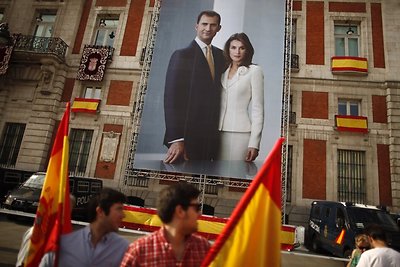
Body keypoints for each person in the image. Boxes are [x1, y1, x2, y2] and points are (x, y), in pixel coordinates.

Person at [163, 10, 225, 163]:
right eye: (204, 24)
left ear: (219, 29)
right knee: (183, 185)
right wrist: (177, 139)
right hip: (186, 139)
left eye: (213, 25)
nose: (208, 28)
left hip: (212, 140)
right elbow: (171, 99)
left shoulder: (221, 56)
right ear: (196, 26)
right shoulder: (182, 55)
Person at [120, 182, 210, 267]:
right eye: (197, 208)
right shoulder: (139, 251)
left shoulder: (203, 247)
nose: (200, 214)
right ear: (180, 211)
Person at [40, 188, 129, 267]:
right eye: (119, 209)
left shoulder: (124, 248)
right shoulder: (64, 243)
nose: (123, 215)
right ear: (100, 211)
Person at [217, 33, 264, 162]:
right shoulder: (221, 70)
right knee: (214, 177)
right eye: (233, 47)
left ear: (247, 50)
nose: (237, 52)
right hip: (216, 131)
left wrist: (254, 143)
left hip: (240, 133)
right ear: (228, 49)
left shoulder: (254, 71)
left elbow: (257, 109)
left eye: (242, 48)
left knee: (233, 176)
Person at [16, 195, 76, 267]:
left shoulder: (65, 235)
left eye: (68, 211)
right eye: (63, 209)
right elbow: (24, 262)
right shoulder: (36, 233)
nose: (65, 215)